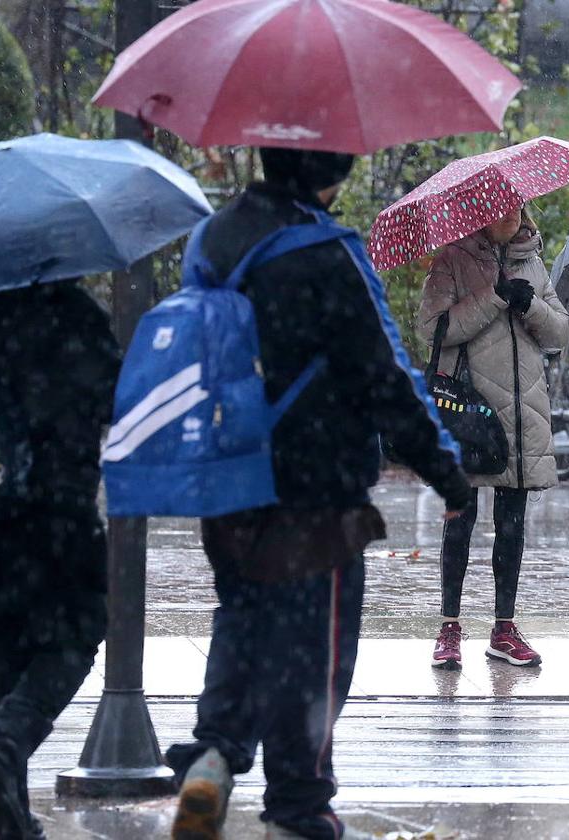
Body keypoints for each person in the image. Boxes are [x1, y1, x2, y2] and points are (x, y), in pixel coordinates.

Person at [167, 148, 471, 840]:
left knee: (242, 621)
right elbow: (385, 374)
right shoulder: (326, 252)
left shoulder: (213, 239)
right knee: (315, 653)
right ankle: (299, 809)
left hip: (230, 477)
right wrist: (445, 472)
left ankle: (213, 755)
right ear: (331, 170)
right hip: (318, 492)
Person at [0, 281, 120, 839]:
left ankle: (4, 821)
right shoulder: (72, 316)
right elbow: (116, 398)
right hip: (53, 518)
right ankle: (5, 743)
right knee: (72, 637)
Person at [418, 206, 569, 670]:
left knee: (512, 524)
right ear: (480, 212)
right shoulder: (452, 260)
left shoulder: (533, 260)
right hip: (469, 412)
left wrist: (531, 305)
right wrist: (493, 297)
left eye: (517, 207)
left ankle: (504, 628)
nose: (510, 216)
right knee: (459, 521)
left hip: (523, 411)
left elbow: (560, 332)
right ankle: (449, 627)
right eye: (499, 208)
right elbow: (432, 329)